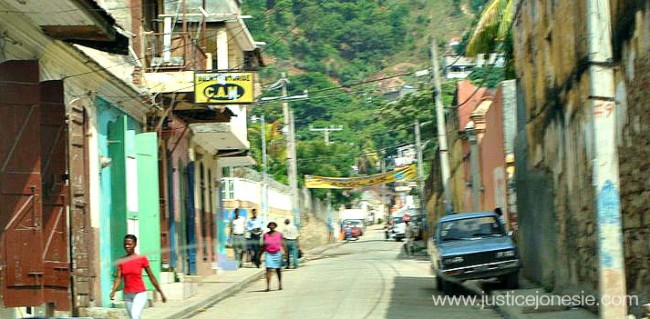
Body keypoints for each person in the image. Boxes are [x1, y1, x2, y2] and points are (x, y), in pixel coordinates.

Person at [110, 234, 166, 319]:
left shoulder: (141, 259)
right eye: (125, 244)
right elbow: (118, 278)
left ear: (135, 245)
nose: (127, 246)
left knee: (134, 315)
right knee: (134, 316)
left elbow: (151, 276)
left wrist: (160, 292)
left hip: (140, 293)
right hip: (127, 295)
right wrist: (113, 290)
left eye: (129, 244)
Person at [263, 222, 284, 291]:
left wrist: (285, 253)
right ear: (268, 226)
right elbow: (263, 245)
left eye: (273, 225)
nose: (271, 226)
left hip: (277, 253)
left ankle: (280, 284)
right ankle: (268, 287)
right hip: (268, 253)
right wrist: (259, 254)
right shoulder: (265, 235)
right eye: (270, 225)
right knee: (268, 269)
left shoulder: (279, 234)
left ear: (275, 226)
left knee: (278, 269)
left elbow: (283, 244)